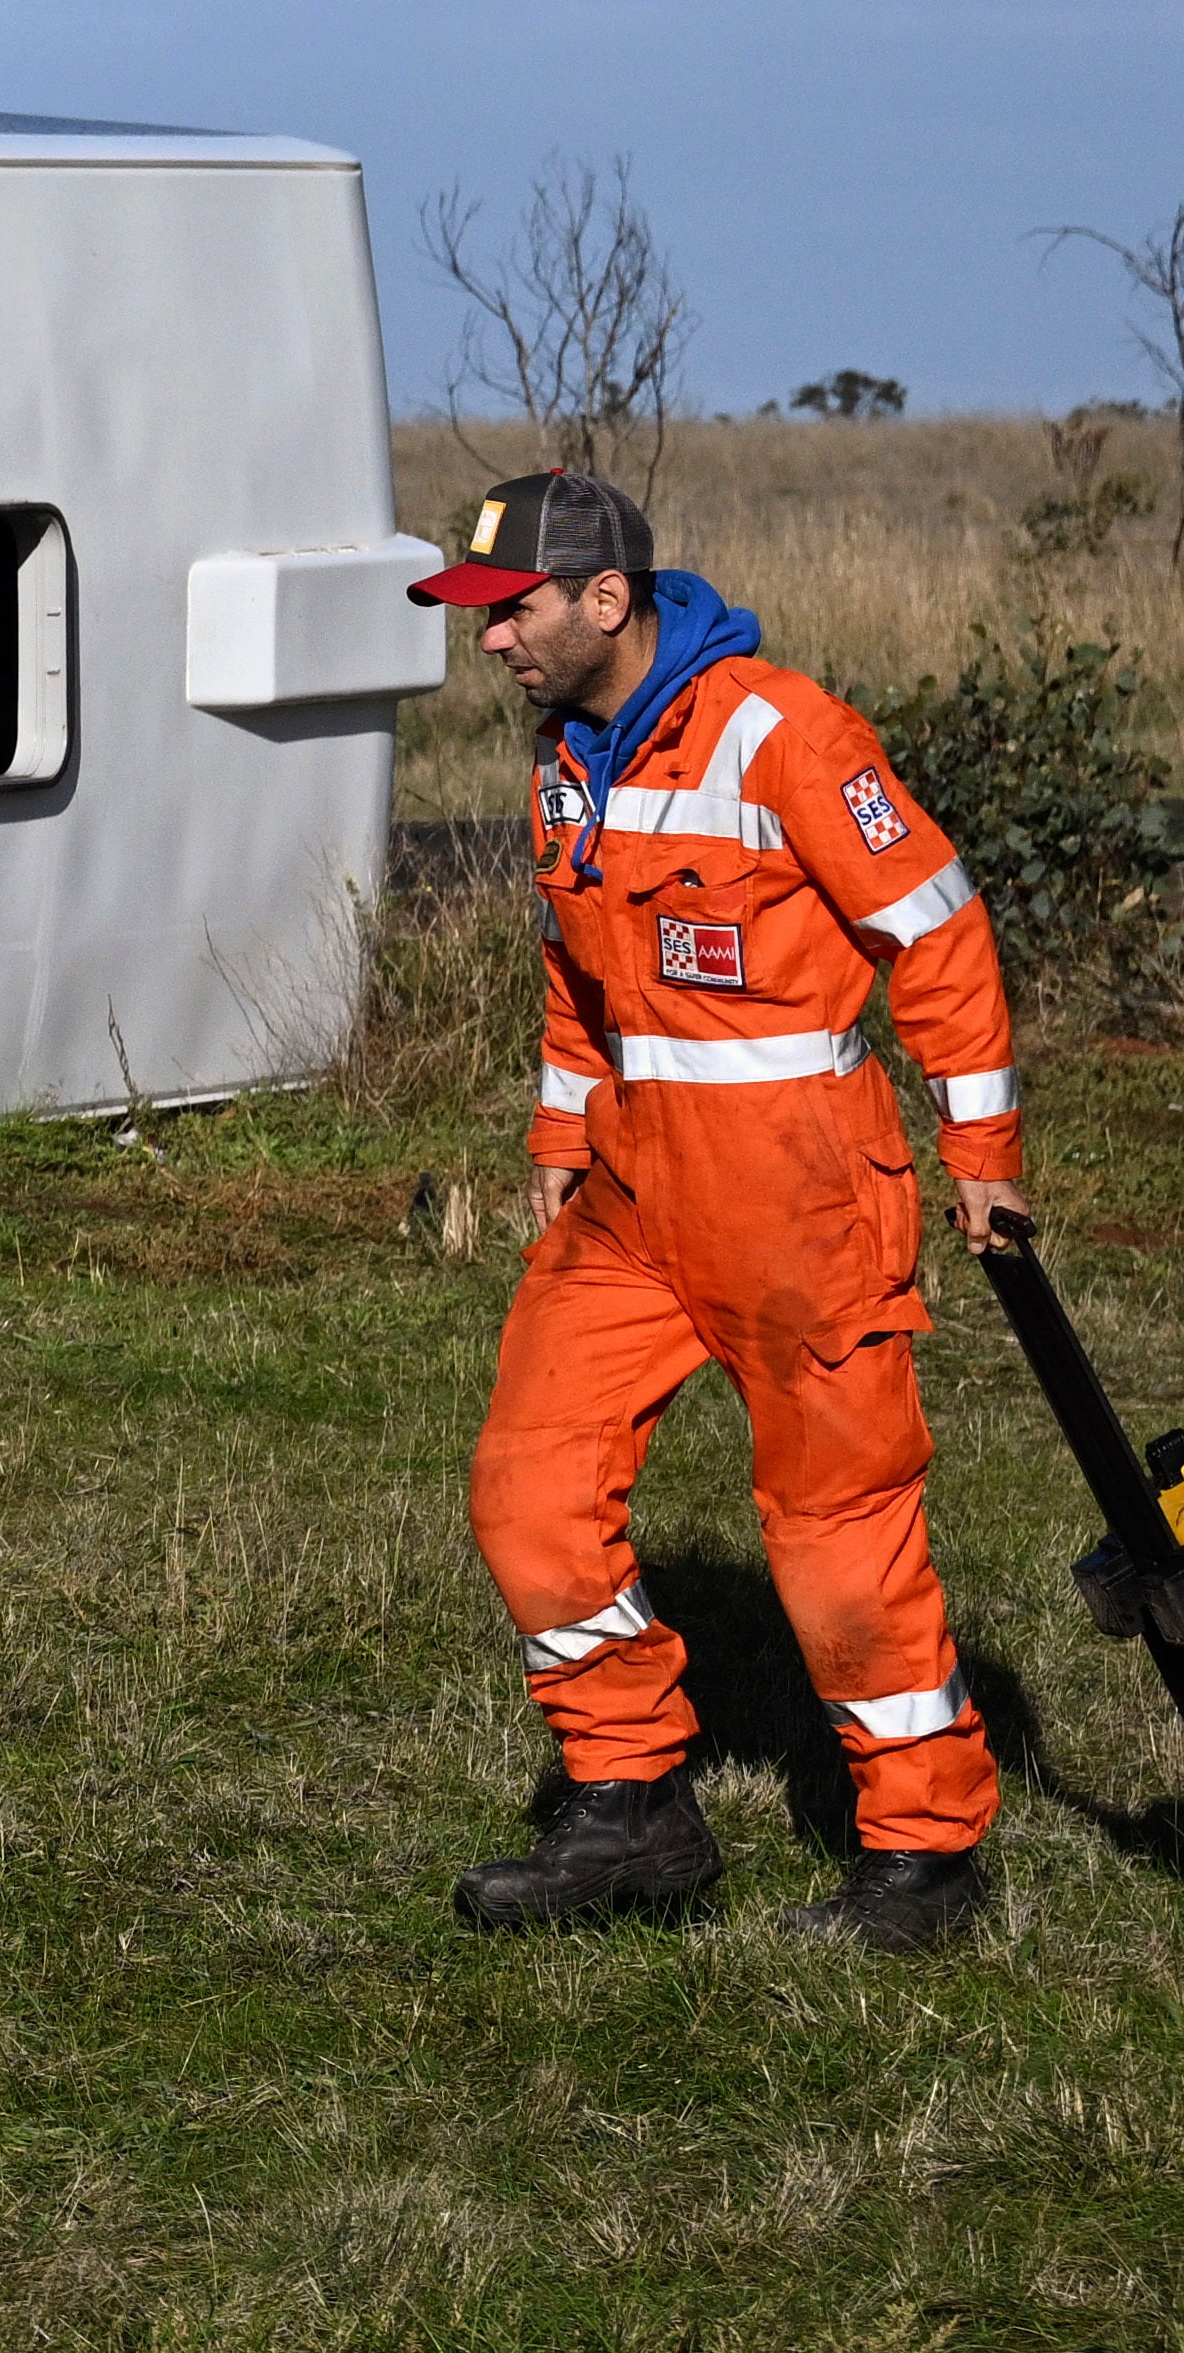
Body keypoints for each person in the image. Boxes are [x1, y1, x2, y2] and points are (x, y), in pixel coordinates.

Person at [422, 467, 1026, 1954]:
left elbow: (936, 928)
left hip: (803, 1208)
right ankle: (631, 1804)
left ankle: (925, 1860)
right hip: (631, 1202)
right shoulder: (570, 753)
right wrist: (563, 1123)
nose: (489, 642)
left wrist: (982, 1151)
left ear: (605, 600)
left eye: (511, 613)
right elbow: (580, 964)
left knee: (838, 1537)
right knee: (527, 1489)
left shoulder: (782, 731)